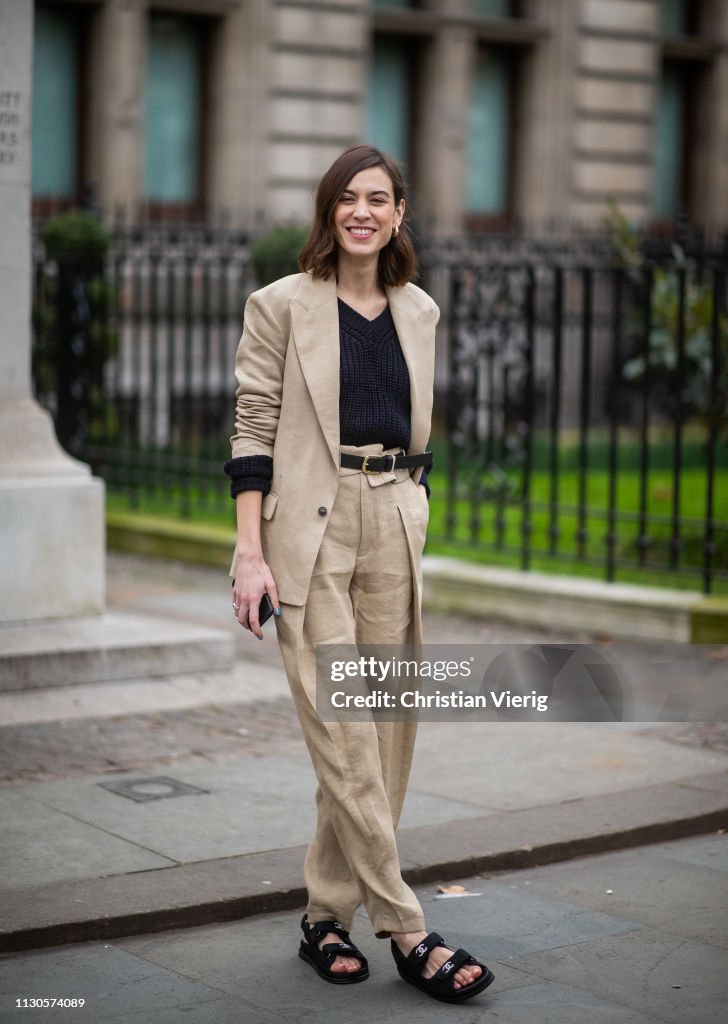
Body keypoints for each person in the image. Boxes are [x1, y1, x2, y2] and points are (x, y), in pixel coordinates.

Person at [224, 144, 494, 1004]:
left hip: (395, 518)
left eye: (378, 199)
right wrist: (248, 549)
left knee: (382, 730)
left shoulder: (420, 310)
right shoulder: (279, 306)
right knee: (342, 732)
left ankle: (322, 920)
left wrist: (409, 508)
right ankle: (407, 927)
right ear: (328, 211)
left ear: (400, 212)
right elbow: (253, 426)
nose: (362, 212)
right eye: (347, 198)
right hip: (308, 523)